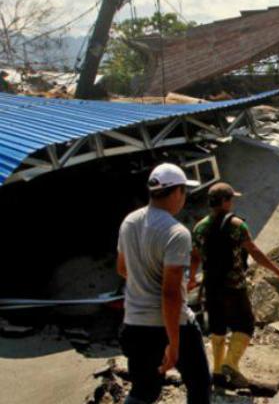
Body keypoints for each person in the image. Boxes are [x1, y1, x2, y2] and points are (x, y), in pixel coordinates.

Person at [117, 163, 211, 404]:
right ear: (177, 191)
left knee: (143, 391)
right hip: (172, 325)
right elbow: (170, 294)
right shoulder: (176, 233)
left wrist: (144, 283)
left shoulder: (129, 222)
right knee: (199, 386)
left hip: (135, 323)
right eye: (184, 192)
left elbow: (122, 268)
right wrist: (174, 344)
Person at [192, 182, 279, 388]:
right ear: (225, 201)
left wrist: (192, 277)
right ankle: (231, 363)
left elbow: (195, 257)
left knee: (217, 328)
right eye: (231, 199)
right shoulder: (238, 226)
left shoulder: (199, 227)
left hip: (210, 286)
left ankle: (218, 373)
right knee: (245, 325)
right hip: (234, 286)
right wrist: (277, 270)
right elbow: (254, 251)